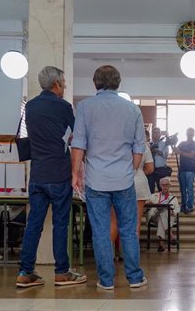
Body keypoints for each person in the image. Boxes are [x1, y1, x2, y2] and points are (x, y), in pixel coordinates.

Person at [71, 65, 147, 290]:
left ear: (95, 83)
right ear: (118, 83)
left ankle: (106, 280)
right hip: (124, 179)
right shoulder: (133, 109)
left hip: (96, 179)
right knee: (128, 229)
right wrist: (131, 170)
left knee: (101, 230)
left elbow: (79, 143)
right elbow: (139, 148)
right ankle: (134, 277)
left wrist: (75, 173)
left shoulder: (84, 107)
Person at [16, 66, 86, 288]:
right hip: (58, 173)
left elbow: (24, 137)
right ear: (56, 83)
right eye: (63, 83)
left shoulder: (30, 106)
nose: (64, 87)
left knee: (33, 224)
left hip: (37, 174)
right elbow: (77, 135)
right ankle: (62, 272)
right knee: (60, 223)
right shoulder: (63, 106)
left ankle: (26, 271)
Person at [111, 129, 155, 257]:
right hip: (139, 181)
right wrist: (139, 172)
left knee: (114, 222)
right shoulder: (143, 145)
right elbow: (151, 168)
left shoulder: (117, 144)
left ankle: (110, 255)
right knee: (135, 223)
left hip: (118, 181)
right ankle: (130, 256)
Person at [147, 177, 179, 252]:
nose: (165, 187)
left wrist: (173, 212)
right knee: (163, 212)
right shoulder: (154, 196)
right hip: (155, 216)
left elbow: (177, 208)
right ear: (160, 186)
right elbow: (146, 204)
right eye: (163, 185)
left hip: (168, 217)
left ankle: (161, 244)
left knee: (164, 213)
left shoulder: (174, 198)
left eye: (167, 185)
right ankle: (171, 235)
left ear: (169, 186)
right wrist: (152, 204)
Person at [177, 128, 195, 214]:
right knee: (182, 189)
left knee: (189, 188)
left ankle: (190, 206)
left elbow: (192, 155)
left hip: (190, 169)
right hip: (181, 169)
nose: (189, 135)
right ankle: (183, 206)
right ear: (186, 133)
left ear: (193, 134)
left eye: (191, 133)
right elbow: (175, 151)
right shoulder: (182, 143)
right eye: (188, 133)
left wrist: (181, 152)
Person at [149, 127, 171, 193]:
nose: (156, 134)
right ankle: (150, 203)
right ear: (152, 134)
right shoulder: (148, 144)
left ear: (160, 134)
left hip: (161, 170)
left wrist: (156, 150)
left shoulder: (164, 144)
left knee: (162, 190)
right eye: (154, 132)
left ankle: (163, 203)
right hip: (150, 170)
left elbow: (166, 155)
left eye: (157, 132)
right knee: (150, 190)